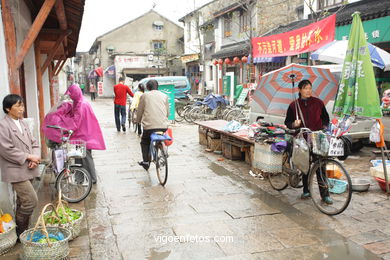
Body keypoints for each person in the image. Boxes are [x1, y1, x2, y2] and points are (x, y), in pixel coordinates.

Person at [43, 84, 106, 184]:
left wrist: (62, 121)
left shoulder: (81, 105)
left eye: (71, 95)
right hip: (84, 134)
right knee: (79, 157)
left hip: (84, 135)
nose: (71, 97)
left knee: (86, 158)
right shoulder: (81, 101)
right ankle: (79, 179)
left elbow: (75, 123)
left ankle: (92, 180)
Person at [284, 79, 332, 204]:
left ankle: (325, 194)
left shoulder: (318, 103)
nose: (308, 91)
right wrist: (294, 124)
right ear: (299, 90)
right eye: (305, 88)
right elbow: (287, 123)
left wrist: (325, 128)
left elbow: (326, 119)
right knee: (305, 166)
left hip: (317, 138)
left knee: (320, 166)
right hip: (302, 139)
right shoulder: (293, 105)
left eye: (310, 88)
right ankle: (306, 190)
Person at [0, 94, 40, 236]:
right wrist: (29, 157)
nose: (22, 109)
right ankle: (21, 231)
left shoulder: (23, 123)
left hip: (29, 167)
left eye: (22, 105)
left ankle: (23, 232)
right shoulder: (3, 125)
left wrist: (35, 159)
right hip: (15, 170)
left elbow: (34, 142)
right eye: (18, 106)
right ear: (7, 108)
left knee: (22, 201)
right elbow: (6, 150)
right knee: (31, 200)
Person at [136, 80, 169, 170]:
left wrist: (138, 121)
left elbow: (140, 111)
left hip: (149, 126)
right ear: (157, 87)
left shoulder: (144, 96)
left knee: (144, 141)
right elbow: (167, 113)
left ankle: (146, 161)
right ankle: (163, 151)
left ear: (148, 88)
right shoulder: (164, 96)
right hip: (163, 126)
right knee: (161, 135)